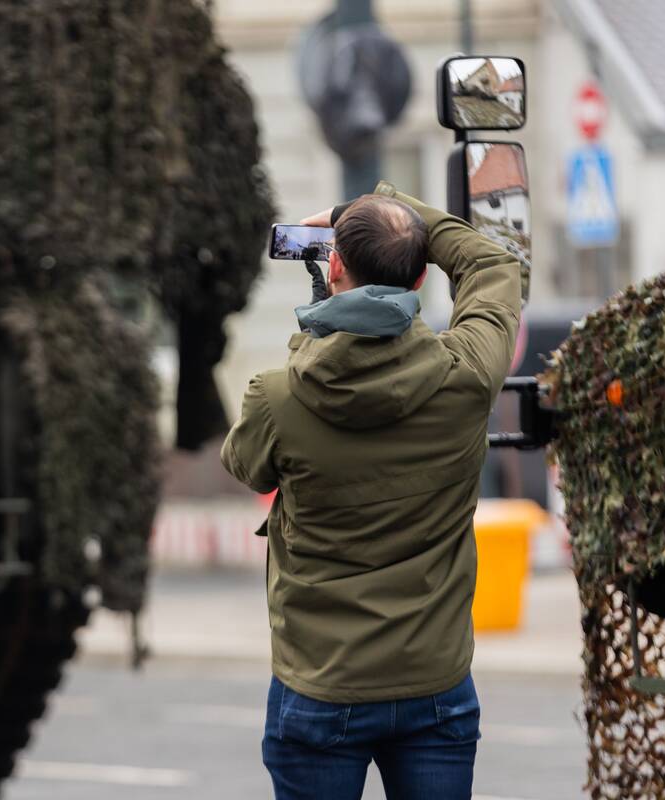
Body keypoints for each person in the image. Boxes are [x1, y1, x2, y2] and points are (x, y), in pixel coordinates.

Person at [221, 181, 521, 800]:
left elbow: (245, 466)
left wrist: (311, 339)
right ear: (418, 284)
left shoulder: (277, 397)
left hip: (322, 685)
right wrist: (391, 208)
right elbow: (493, 262)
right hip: (435, 685)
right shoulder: (467, 378)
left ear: (331, 266)